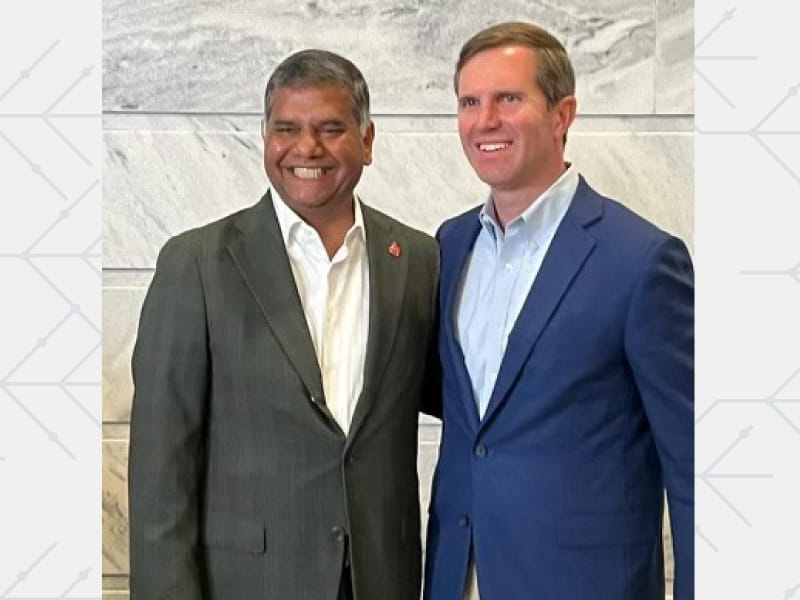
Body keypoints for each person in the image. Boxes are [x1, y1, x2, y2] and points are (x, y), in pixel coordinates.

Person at [128, 49, 438, 600]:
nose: (306, 148)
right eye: (286, 128)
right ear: (265, 138)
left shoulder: (417, 260)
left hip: (380, 580)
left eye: (331, 128)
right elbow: (160, 476)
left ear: (367, 141)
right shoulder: (197, 263)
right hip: (248, 585)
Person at [424, 22, 693, 600]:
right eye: (469, 102)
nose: (484, 120)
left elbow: (697, 468)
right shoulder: (447, 247)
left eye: (508, 99)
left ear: (562, 114)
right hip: (457, 579)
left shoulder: (641, 261)